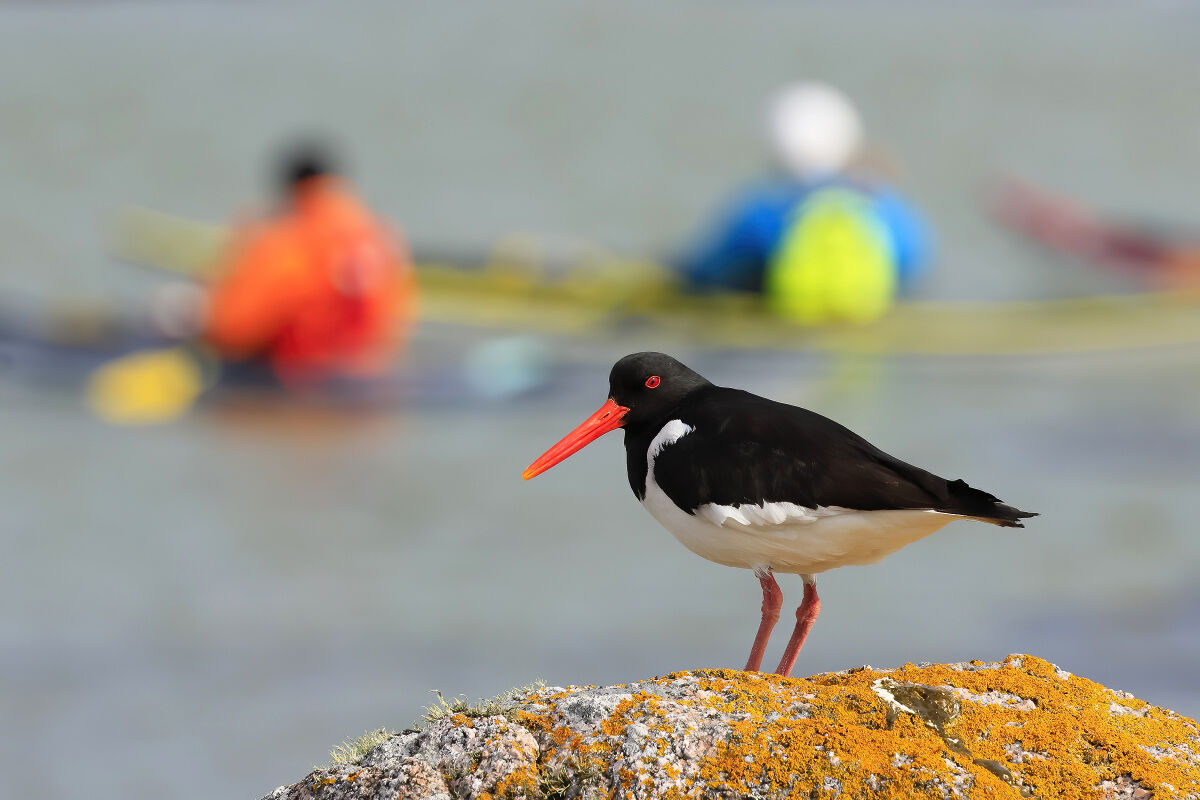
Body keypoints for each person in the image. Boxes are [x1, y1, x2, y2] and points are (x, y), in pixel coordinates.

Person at [678, 82, 931, 324]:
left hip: (779, 333)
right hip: (862, 330)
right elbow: (917, 259)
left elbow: (709, 271)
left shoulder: (765, 209)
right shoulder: (887, 207)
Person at [201, 144, 418, 387]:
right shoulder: (382, 235)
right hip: (365, 378)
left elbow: (231, 330)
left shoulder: (287, 241)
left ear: (291, 191)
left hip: (299, 382)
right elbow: (397, 321)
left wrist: (236, 252)